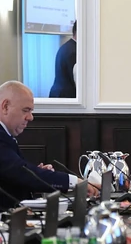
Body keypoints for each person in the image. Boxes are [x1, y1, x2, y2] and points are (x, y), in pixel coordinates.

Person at [0, 81, 98, 209]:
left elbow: (14, 176)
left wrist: (38, 174)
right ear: (5, 107)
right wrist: (74, 182)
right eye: (26, 110)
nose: (30, 117)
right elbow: (19, 172)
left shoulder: (6, 135)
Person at [49, 21, 77, 98]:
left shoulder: (67, 47)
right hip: (66, 97)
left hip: (59, 94)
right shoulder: (74, 51)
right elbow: (77, 80)